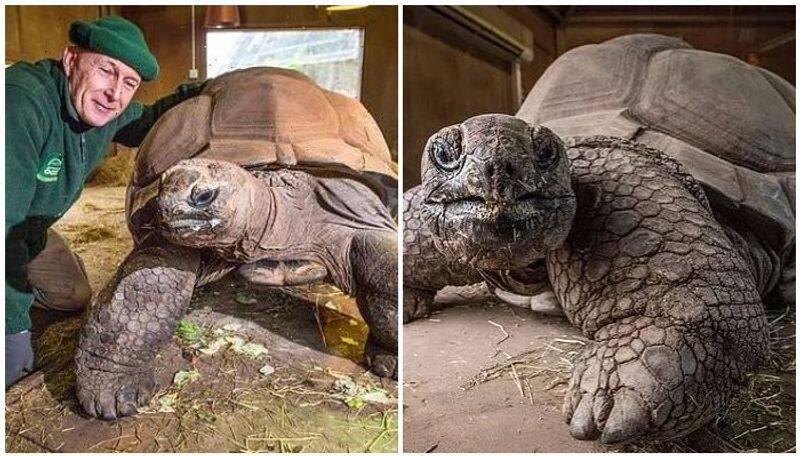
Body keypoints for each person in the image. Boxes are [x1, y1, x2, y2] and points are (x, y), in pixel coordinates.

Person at [6, 16, 208, 387]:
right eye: (105, 70)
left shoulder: (103, 113)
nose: (114, 93)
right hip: (7, 224)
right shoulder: (21, 103)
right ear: (71, 60)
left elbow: (148, 119)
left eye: (128, 82)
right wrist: (13, 327)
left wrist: (209, 91)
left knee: (75, 296)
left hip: (30, 229)